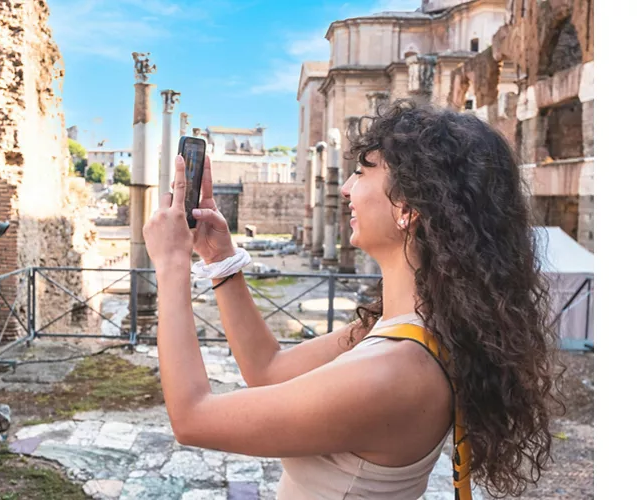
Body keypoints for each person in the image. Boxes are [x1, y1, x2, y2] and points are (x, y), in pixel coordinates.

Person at [142, 100, 560, 499]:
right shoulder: (404, 330)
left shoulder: (394, 371)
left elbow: (193, 418)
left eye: (362, 172)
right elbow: (270, 372)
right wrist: (221, 261)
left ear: (409, 206)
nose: (344, 188)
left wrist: (172, 266)